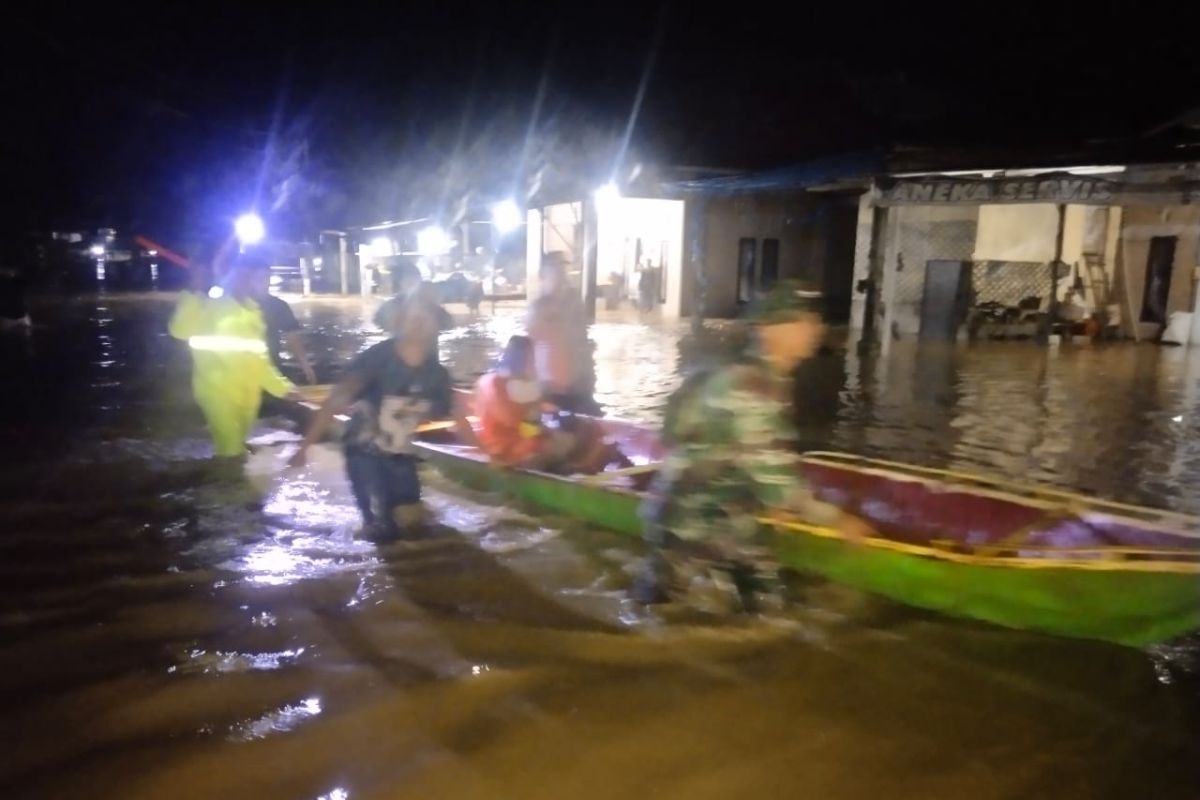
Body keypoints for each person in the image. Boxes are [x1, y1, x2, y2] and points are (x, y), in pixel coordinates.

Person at [637, 281, 875, 610]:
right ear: (768, 329)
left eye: (813, 319)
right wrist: (838, 520)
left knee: (768, 605)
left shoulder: (762, 375)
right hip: (688, 521)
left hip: (731, 514)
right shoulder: (751, 384)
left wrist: (770, 499)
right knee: (656, 615)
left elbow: (742, 452)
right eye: (800, 319)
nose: (814, 327)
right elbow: (777, 478)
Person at [289, 302, 455, 539]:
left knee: (414, 523)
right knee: (381, 529)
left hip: (400, 455)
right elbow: (334, 401)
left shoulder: (437, 375)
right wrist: (304, 448)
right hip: (363, 450)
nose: (419, 326)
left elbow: (448, 412)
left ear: (436, 329)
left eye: (426, 320)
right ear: (398, 324)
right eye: (413, 319)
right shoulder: (375, 360)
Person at [168, 259, 295, 458]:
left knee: (236, 445)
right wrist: (194, 292)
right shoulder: (206, 305)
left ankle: (225, 480)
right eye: (239, 274)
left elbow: (259, 359)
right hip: (216, 392)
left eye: (248, 275)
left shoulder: (253, 312)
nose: (244, 280)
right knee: (231, 448)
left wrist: (284, 389)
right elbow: (179, 331)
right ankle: (228, 485)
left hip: (248, 395)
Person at [474, 335, 623, 473]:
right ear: (521, 359)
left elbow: (526, 419)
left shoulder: (504, 381)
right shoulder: (499, 385)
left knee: (586, 428)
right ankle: (573, 473)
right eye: (531, 359)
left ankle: (593, 463)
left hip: (515, 441)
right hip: (509, 452)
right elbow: (522, 426)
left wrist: (541, 412)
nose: (534, 363)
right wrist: (539, 418)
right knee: (573, 439)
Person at [526, 251, 600, 414]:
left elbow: (583, 342)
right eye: (555, 270)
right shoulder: (538, 308)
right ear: (543, 276)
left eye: (562, 270)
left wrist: (589, 377)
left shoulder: (573, 302)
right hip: (551, 393)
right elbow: (530, 350)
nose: (561, 276)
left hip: (579, 389)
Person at [241, 255, 317, 384]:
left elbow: (293, 338)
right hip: (242, 369)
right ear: (249, 280)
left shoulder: (278, 306)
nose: (265, 283)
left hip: (271, 368)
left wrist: (306, 366)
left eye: (267, 279)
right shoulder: (238, 305)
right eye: (260, 279)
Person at [373, 259, 452, 338]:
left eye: (414, 279)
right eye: (409, 280)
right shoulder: (434, 309)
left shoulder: (434, 309)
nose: (412, 284)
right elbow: (448, 325)